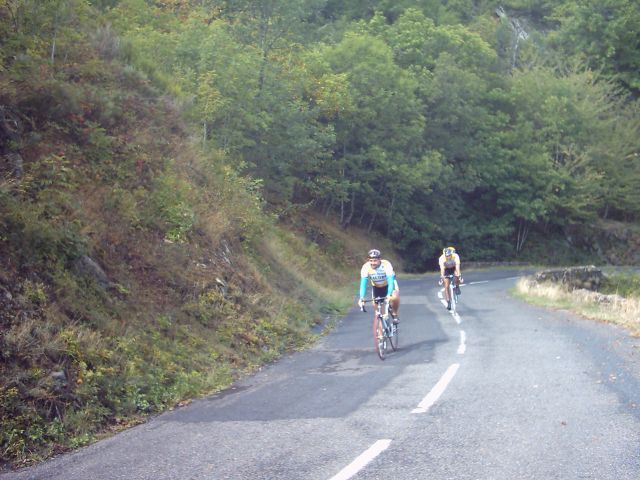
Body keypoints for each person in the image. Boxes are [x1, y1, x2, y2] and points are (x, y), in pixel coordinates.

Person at [358, 249, 400, 323]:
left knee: (394, 297)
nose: (373, 263)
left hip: (388, 285)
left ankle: (395, 314)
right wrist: (361, 298)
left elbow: (390, 281)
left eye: (375, 260)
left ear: (380, 259)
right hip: (377, 287)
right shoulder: (365, 267)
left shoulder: (386, 265)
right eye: (371, 260)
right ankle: (381, 334)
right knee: (379, 314)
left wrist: (389, 294)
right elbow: (363, 284)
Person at [439, 246, 463, 310]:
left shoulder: (455, 256)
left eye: (449, 255)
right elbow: (442, 269)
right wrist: (442, 276)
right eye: (446, 256)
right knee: (446, 285)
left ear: (451, 254)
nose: (448, 257)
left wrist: (459, 275)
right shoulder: (441, 258)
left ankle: (457, 286)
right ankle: (449, 302)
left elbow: (457, 267)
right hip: (446, 269)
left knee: (457, 274)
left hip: (454, 268)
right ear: (444, 255)